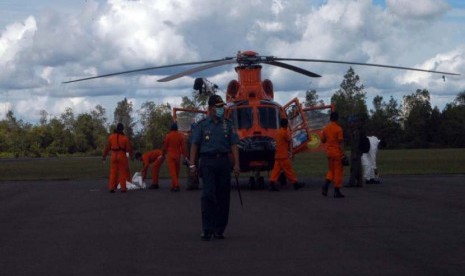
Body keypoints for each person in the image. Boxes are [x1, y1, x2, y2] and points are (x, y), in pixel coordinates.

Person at [189, 95, 240, 241]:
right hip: (208, 162)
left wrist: (237, 164)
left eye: (221, 107)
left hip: (224, 161)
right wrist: (192, 164)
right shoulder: (203, 125)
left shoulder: (228, 124)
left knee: (224, 196)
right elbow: (195, 145)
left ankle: (219, 230)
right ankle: (207, 229)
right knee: (208, 195)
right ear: (210, 109)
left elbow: (234, 145)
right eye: (218, 107)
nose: (221, 110)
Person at [269, 118, 304, 191]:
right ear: (286, 125)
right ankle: (295, 184)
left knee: (276, 171)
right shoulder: (285, 132)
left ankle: (272, 183)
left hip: (278, 155)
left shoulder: (278, 132)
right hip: (283, 155)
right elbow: (290, 141)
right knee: (289, 170)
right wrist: (291, 153)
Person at [102, 123, 134, 193]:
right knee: (122, 172)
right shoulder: (125, 138)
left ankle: (111, 188)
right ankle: (123, 188)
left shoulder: (111, 137)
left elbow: (107, 148)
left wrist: (104, 156)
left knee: (113, 172)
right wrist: (132, 157)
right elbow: (129, 149)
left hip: (113, 155)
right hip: (122, 155)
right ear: (122, 129)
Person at [321, 112, 345, 198]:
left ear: (330, 119)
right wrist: (343, 154)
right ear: (337, 119)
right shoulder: (339, 129)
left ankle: (325, 186)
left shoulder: (326, 128)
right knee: (338, 171)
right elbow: (340, 142)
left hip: (329, 153)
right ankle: (337, 191)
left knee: (331, 170)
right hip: (337, 153)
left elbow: (323, 140)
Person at [162, 122, 187, 192]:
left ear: (171, 128)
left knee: (173, 172)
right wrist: (185, 156)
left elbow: (164, 146)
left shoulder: (168, 136)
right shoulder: (180, 136)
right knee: (176, 171)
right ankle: (173, 185)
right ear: (177, 128)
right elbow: (183, 147)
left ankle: (176, 185)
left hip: (170, 155)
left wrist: (163, 154)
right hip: (178, 155)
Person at [345, 115, 364, 187]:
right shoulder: (356, 131)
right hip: (357, 151)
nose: (349, 124)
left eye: (350, 122)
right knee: (358, 167)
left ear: (353, 123)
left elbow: (356, 143)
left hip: (356, 151)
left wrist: (355, 153)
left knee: (354, 167)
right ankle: (359, 182)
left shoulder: (355, 132)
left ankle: (351, 182)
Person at [185, 123, 200, 190]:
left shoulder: (189, 136)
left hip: (190, 156)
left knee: (190, 170)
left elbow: (187, 147)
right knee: (196, 169)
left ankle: (190, 184)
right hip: (196, 157)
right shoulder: (198, 135)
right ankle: (196, 184)